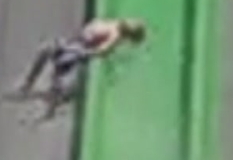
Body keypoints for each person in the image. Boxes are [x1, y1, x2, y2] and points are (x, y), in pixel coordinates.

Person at [10, 18, 147, 121]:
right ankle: (43, 99)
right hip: (78, 45)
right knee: (52, 60)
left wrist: (88, 52)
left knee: (53, 62)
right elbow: (103, 50)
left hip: (78, 46)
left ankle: (42, 99)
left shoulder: (116, 31)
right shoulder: (116, 29)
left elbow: (102, 49)